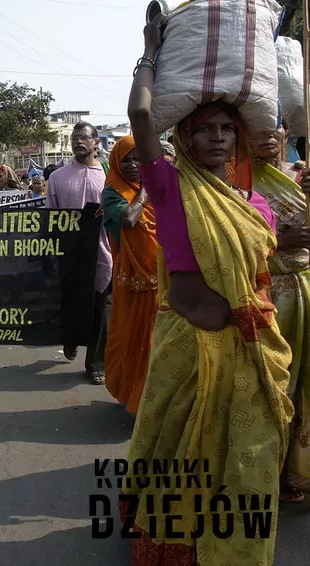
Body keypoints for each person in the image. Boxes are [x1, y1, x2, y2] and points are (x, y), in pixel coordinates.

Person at [121, 15, 291, 564]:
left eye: (226, 130)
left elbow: (260, 278)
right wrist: (150, 52)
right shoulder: (167, 187)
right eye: (205, 129)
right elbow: (141, 113)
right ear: (185, 138)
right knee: (179, 461)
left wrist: (259, 322)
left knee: (242, 460)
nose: (217, 138)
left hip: (247, 350)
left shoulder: (255, 206)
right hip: (187, 348)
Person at [250, 126, 310, 503]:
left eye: (276, 126)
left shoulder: (301, 174)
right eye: (258, 127)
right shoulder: (232, 181)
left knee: (305, 385)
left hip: (306, 289)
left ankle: (299, 472)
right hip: (267, 293)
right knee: (272, 385)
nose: (269, 135)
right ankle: (262, 472)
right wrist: (278, 242)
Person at [46, 121, 112, 385]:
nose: (78, 142)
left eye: (84, 137)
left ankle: (96, 363)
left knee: (101, 310)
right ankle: (71, 340)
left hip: (102, 254)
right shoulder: (57, 178)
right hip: (69, 256)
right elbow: (50, 219)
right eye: (75, 138)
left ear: (96, 142)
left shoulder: (110, 177)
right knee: (71, 306)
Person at [100, 136, 157, 414]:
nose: (134, 165)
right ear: (116, 162)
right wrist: (146, 188)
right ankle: (133, 397)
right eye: (127, 159)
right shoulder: (112, 192)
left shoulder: (165, 189)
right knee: (133, 341)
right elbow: (130, 218)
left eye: (139, 158)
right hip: (132, 280)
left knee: (158, 343)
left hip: (164, 279)